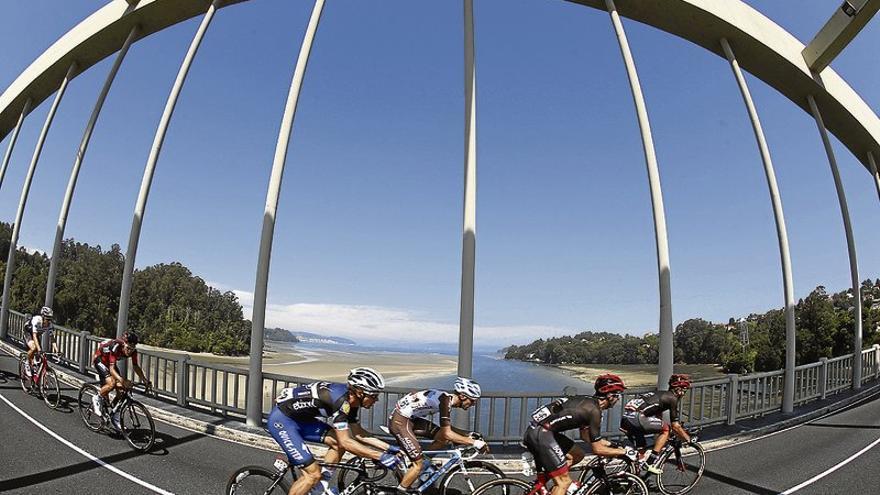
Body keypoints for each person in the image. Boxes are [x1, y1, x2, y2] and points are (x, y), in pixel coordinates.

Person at [268, 367, 401, 495]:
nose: (376, 400)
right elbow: (346, 442)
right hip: (282, 421)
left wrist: (388, 448)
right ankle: (315, 481)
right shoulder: (341, 401)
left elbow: (358, 433)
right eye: (373, 395)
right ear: (360, 392)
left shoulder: (352, 401)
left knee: (337, 443)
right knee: (312, 474)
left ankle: (320, 487)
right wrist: (379, 456)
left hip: (302, 420)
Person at [522, 373, 637, 495]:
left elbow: (585, 436)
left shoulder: (589, 402)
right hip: (542, 434)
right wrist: (625, 452)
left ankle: (549, 480)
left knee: (577, 455)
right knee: (564, 482)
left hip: (542, 431)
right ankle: (559, 482)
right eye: (618, 395)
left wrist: (611, 445)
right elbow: (597, 449)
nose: (618, 399)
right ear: (609, 395)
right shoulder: (594, 411)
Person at [389, 377, 488, 492]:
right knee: (418, 464)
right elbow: (447, 433)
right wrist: (475, 443)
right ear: (463, 396)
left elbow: (445, 430)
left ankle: (420, 468)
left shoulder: (446, 398)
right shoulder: (445, 402)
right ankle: (402, 489)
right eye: (472, 400)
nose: (473, 404)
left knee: (442, 439)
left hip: (411, 419)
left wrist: (467, 434)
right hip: (401, 421)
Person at [619, 373, 692, 474]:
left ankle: (632, 478)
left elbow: (658, 417)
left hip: (626, 418)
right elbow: (675, 426)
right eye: (684, 390)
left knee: (641, 453)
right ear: (679, 390)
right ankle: (651, 462)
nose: (684, 393)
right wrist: (687, 439)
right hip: (637, 418)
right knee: (666, 429)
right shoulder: (672, 399)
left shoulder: (659, 394)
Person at [91, 331, 151, 430]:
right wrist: (122, 380)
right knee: (112, 383)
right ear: (124, 344)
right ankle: (97, 398)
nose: (130, 351)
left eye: (132, 349)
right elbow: (111, 369)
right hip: (100, 360)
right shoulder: (116, 347)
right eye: (128, 348)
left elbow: (136, 366)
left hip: (110, 364)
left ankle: (114, 414)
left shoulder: (133, 351)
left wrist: (144, 380)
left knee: (122, 391)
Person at [25, 306, 58, 377]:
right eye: (47, 319)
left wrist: (57, 350)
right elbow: (34, 336)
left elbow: (52, 338)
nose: (48, 321)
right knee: (34, 348)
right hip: (28, 332)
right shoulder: (37, 321)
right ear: (43, 317)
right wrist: (39, 349)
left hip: (37, 335)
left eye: (50, 319)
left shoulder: (50, 325)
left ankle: (37, 374)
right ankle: (27, 363)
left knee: (40, 357)